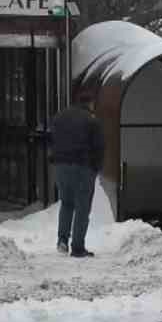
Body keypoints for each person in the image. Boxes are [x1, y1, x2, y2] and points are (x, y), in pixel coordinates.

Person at [50, 86, 105, 258]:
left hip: (60, 167)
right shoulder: (91, 120)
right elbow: (99, 147)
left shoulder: (60, 117)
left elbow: (53, 139)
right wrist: (95, 168)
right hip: (82, 167)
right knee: (82, 207)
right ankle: (78, 247)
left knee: (66, 203)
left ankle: (62, 241)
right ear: (90, 103)